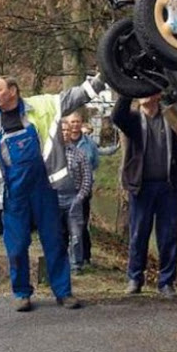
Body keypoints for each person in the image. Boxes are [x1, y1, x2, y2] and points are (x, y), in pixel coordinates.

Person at [0, 75, 105, 312]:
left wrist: (103, 78)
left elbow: (75, 96)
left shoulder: (42, 105)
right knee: (17, 246)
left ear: (13, 90)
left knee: (54, 242)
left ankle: (63, 292)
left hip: (45, 189)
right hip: (13, 194)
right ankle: (22, 293)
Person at [112, 93, 177, 298]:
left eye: (148, 91)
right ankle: (135, 278)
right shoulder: (133, 119)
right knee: (139, 234)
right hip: (141, 187)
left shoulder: (171, 117)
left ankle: (166, 283)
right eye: (141, 92)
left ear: (157, 94)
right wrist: (126, 90)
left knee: (168, 236)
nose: (144, 95)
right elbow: (117, 116)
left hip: (168, 187)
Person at [66, 111, 118, 267]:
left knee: (81, 224)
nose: (75, 125)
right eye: (72, 122)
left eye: (77, 122)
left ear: (81, 124)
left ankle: (84, 257)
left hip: (83, 191)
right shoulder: (61, 143)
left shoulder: (89, 144)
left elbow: (94, 163)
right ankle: (65, 257)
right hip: (63, 192)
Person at [59, 119, 92, 274]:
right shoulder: (51, 155)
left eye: (67, 130)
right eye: (62, 130)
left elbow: (87, 179)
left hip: (74, 197)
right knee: (57, 234)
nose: (65, 133)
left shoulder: (80, 154)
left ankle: (76, 265)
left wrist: (80, 197)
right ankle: (58, 263)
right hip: (55, 198)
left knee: (77, 234)